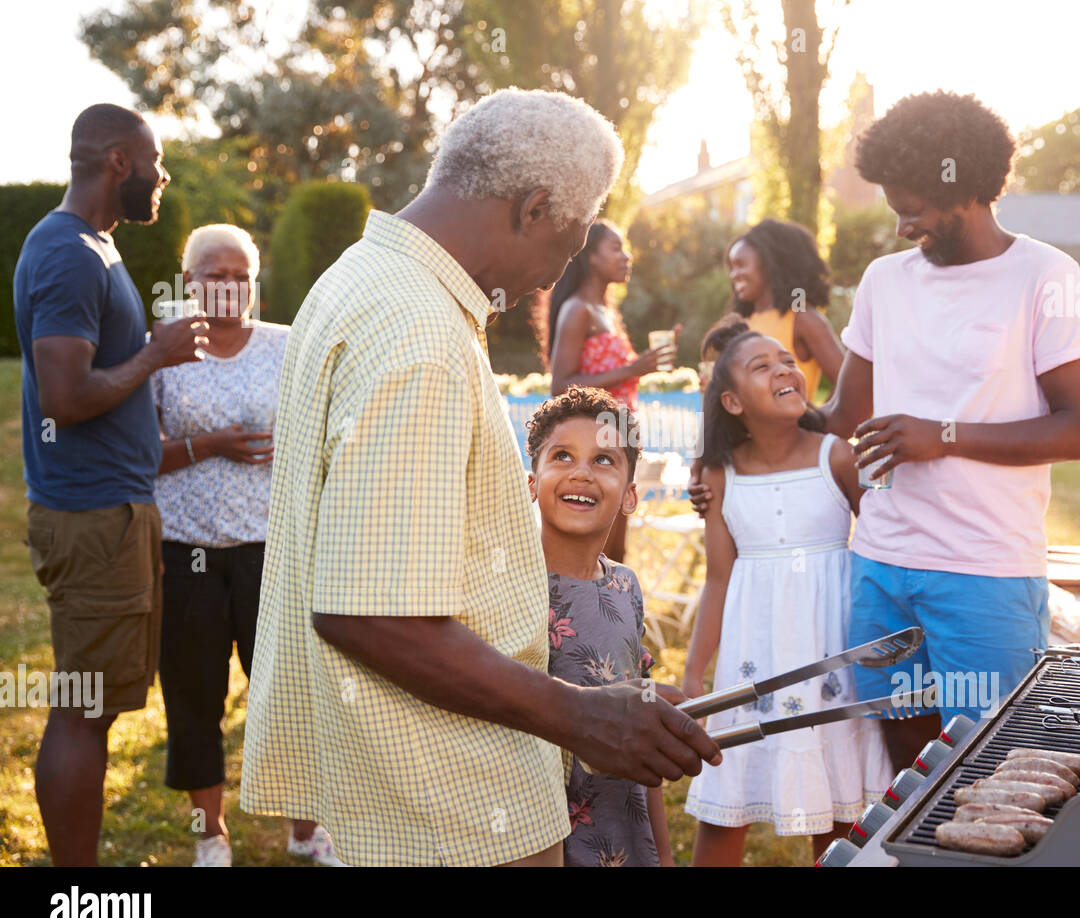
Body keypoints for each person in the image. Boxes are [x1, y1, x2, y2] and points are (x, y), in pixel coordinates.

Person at [239, 88, 720, 868]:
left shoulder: (357, 279)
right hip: (450, 800)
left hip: (416, 779)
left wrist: (602, 698)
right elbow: (369, 614)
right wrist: (582, 718)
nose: (546, 281)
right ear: (534, 208)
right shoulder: (419, 334)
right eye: (564, 251)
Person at [819, 91, 1080, 771]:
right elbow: (840, 418)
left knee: (992, 767)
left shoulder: (1045, 276)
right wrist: (734, 430)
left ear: (965, 190)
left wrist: (942, 435)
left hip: (985, 571)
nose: (900, 228)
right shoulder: (885, 281)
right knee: (908, 769)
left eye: (912, 209)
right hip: (881, 565)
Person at [14, 103, 209, 866]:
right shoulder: (68, 251)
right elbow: (66, 396)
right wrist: (155, 356)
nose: (164, 177)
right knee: (82, 710)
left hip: (114, 515)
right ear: (118, 162)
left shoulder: (92, 246)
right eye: (155, 162)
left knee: (91, 706)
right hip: (94, 518)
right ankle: (78, 894)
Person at [150, 224, 339, 866]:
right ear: (189, 281)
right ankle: (211, 835)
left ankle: (307, 830)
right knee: (195, 696)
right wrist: (211, 445)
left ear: (253, 285)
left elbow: (325, 430)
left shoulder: (289, 346)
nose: (228, 286)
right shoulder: (163, 351)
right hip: (188, 553)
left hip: (272, 552)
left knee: (288, 694)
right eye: (213, 274)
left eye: (240, 276)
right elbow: (136, 455)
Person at [682, 324, 889, 866]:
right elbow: (718, 579)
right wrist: (692, 674)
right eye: (762, 366)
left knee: (843, 803)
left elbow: (878, 549)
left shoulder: (836, 456)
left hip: (832, 652)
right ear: (731, 402)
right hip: (754, 657)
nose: (784, 370)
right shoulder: (718, 475)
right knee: (728, 795)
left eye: (787, 360)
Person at [524, 386, 673, 867]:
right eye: (562, 456)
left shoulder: (625, 587)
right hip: (537, 839)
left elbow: (640, 728)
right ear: (532, 482)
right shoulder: (512, 590)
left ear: (630, 495)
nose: (582, 472)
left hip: (622, 834)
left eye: (604, 460)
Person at [545, 219, 677, 562]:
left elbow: (615, 377)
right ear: (591, 257)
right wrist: (633, 369)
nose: (627, 256)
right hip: (595, 443)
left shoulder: (607, 313)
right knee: (596, 551)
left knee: (617, 549)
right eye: (616, 248)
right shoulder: (578, 311)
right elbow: (560, 384)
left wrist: (643, 366)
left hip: (620, 439)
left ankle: (614, 612)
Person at [726, 219, 844, 396]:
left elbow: (847, 383)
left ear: (770, 264)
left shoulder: (802, 318)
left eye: (741, 265)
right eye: (731, 267)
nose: (733, 275)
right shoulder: (743, 322)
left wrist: (819, 421)